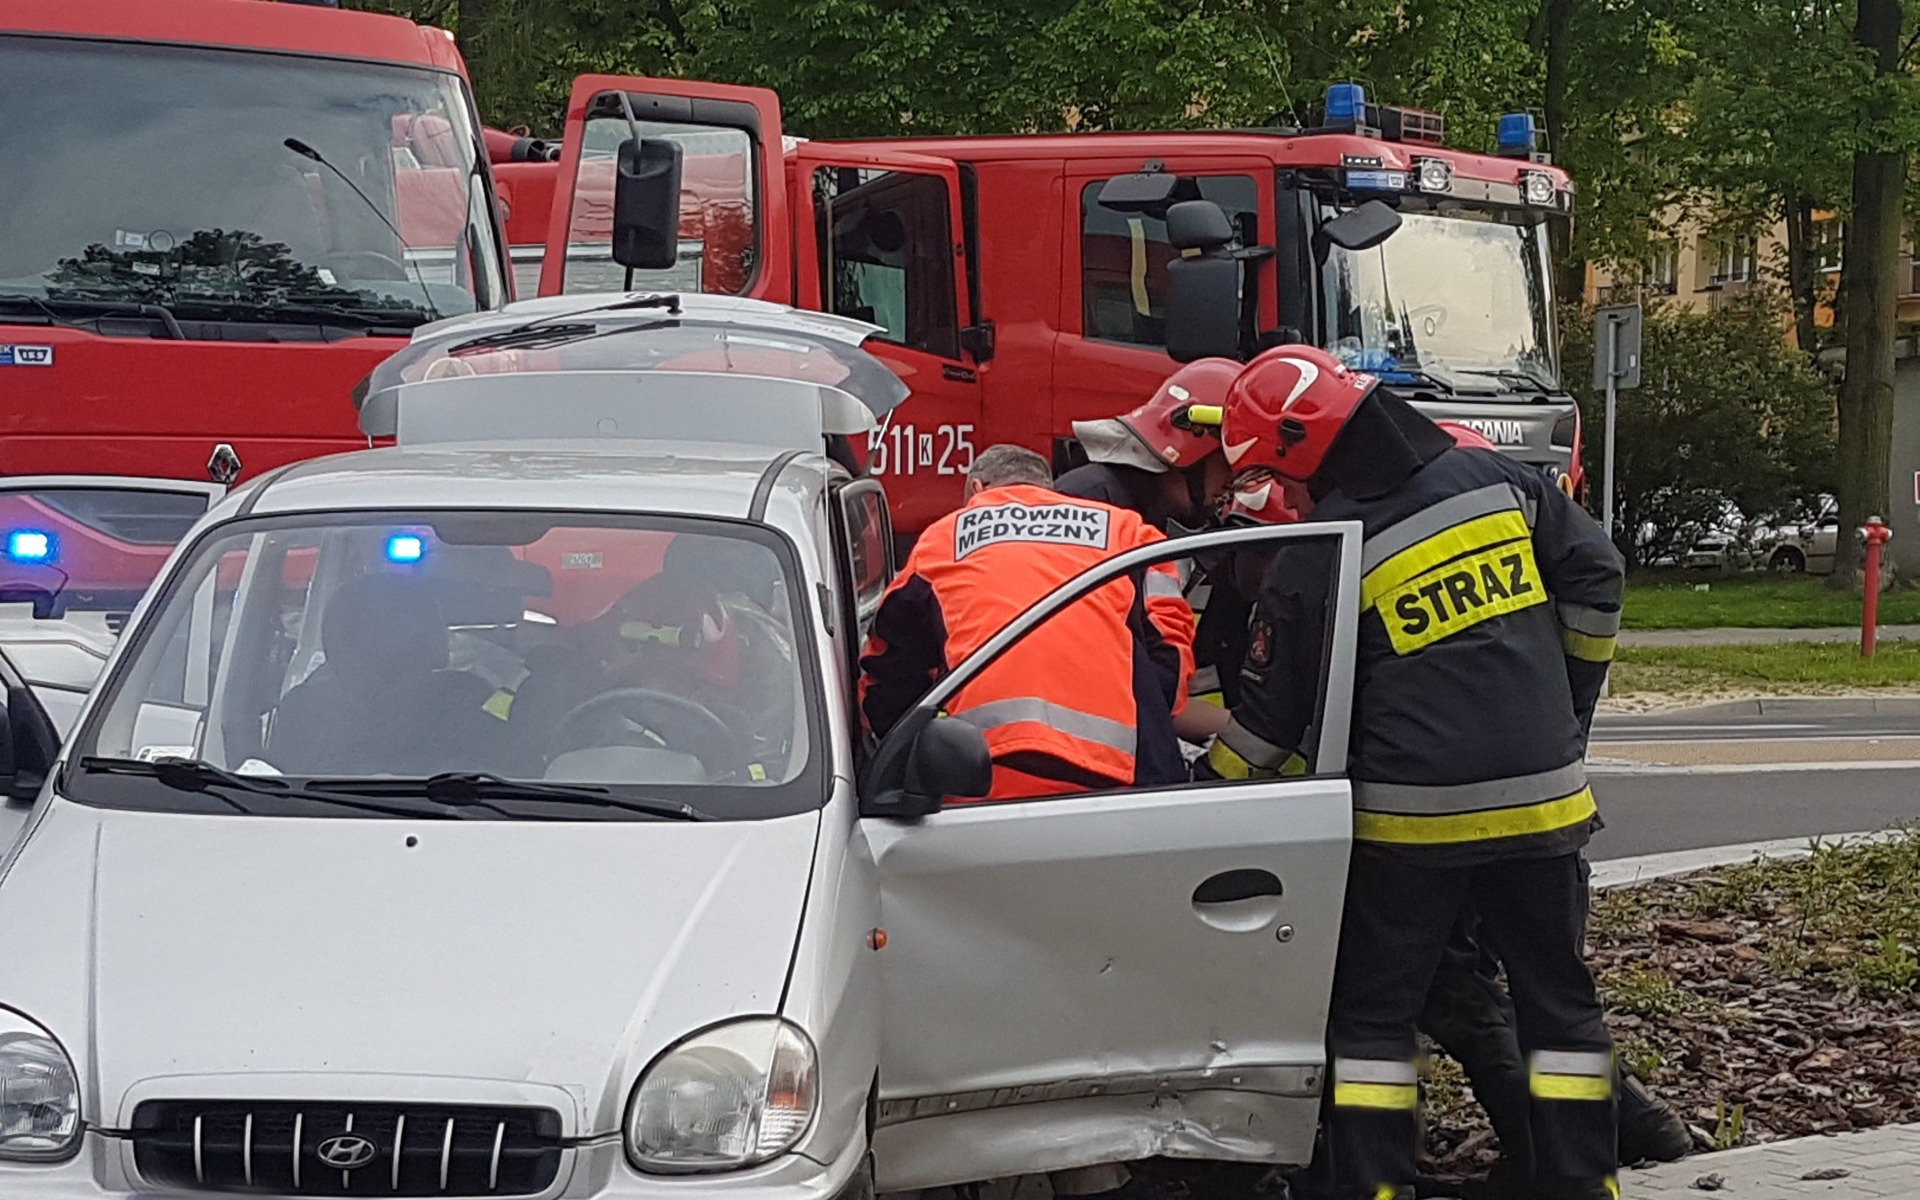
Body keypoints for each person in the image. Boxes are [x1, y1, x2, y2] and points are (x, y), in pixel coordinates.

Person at [1198, 345, 1626, 1200]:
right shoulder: (1497, 479)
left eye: (1275, 474)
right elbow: (1598, 573)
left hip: (1412, 833)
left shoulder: (1321, 551)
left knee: (1372, 1025)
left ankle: (1376, 1189)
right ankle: (1585, 1186)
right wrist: (1565, 709)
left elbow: (1269, 731)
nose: (1280, 495)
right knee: (1561, 1010)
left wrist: (1200, 802)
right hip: (1545, 809)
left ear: (1298, 450)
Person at [860, 443, 1193, 800]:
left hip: (984, 776)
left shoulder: (943, 537)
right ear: (1045, 487)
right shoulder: (1126, 529)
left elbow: (889, 667)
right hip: (1117, 777)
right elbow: (1171, 652)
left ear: (976, 489)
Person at [1055, 359, 1241, 736]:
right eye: (1230, 465)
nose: (1233, 485)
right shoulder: (1096, 508)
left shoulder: (1140, 507)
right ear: (1190, 450)